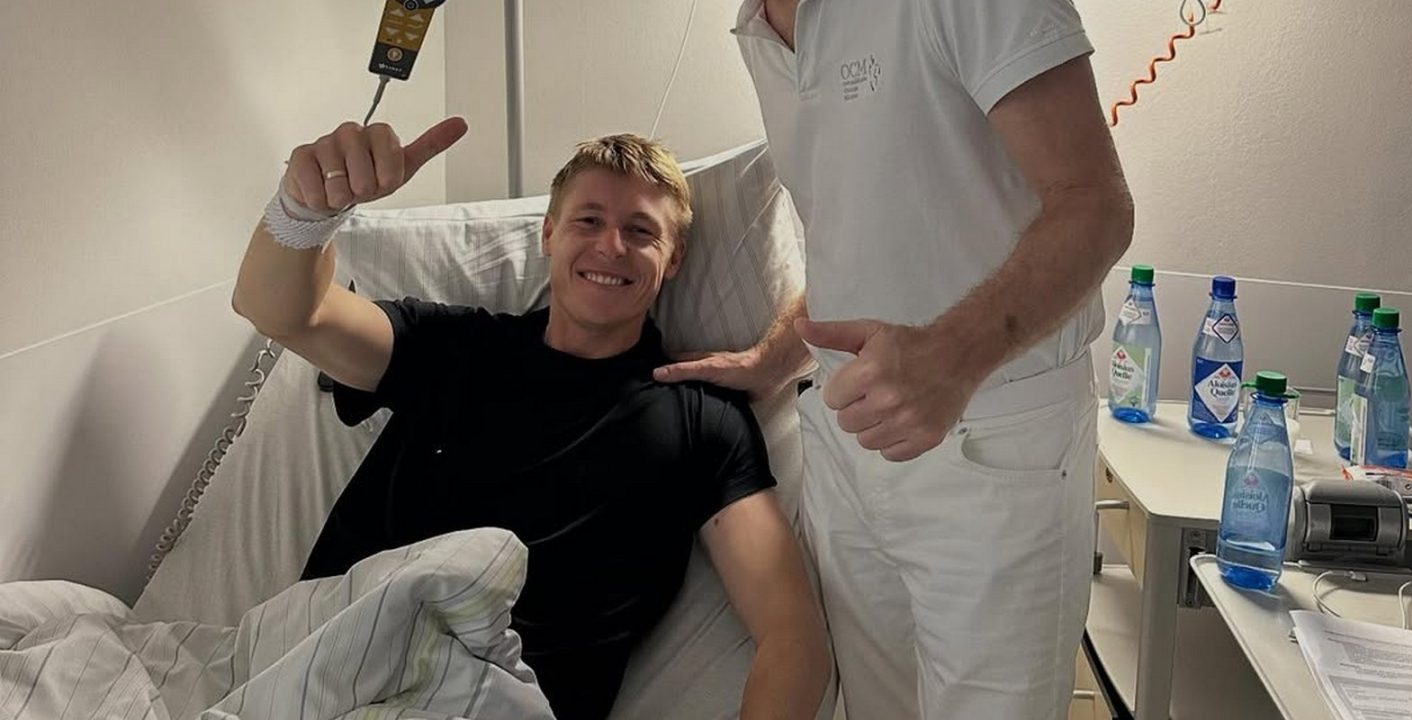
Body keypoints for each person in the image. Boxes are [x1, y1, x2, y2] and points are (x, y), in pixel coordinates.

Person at [232, 120, 830, 720]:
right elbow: (285, 313)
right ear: (548, 234)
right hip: (323, 672)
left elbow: (793, 639)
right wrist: (305, 211)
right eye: (588, 220)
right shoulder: (453, 348)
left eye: (641, 231)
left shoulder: (702, 420)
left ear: (673, 259)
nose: (611, 246)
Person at [652, 1, 1135, 718]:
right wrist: (771, 358)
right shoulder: (760, 26)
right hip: (847, 437)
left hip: (990, 439)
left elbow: (1096, 205)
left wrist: (951, 357)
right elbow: (860, 235)